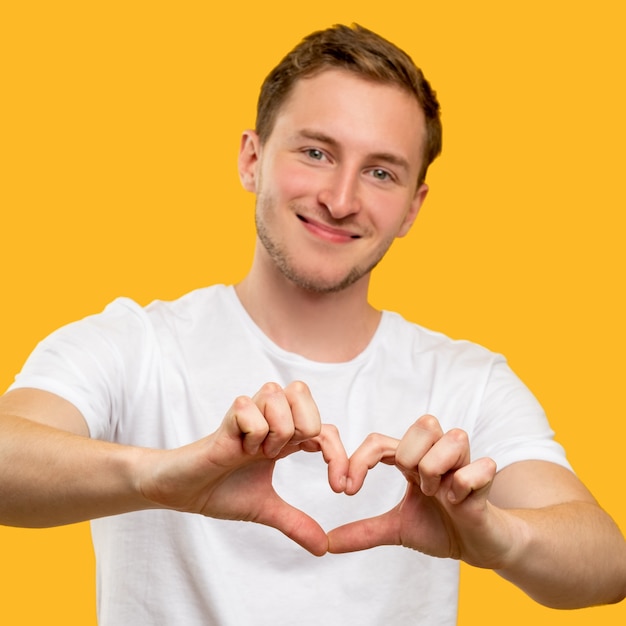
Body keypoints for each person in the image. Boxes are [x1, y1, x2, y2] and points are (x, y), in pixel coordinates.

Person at [0, 23, 624, 625]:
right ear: (252, 158)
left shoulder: (469, 381)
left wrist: (497, 538)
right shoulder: (135, 346)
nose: (341, 197)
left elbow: (608, 563)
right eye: (317, 152)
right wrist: (157, 476)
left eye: (381, 171)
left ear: (413, 207)